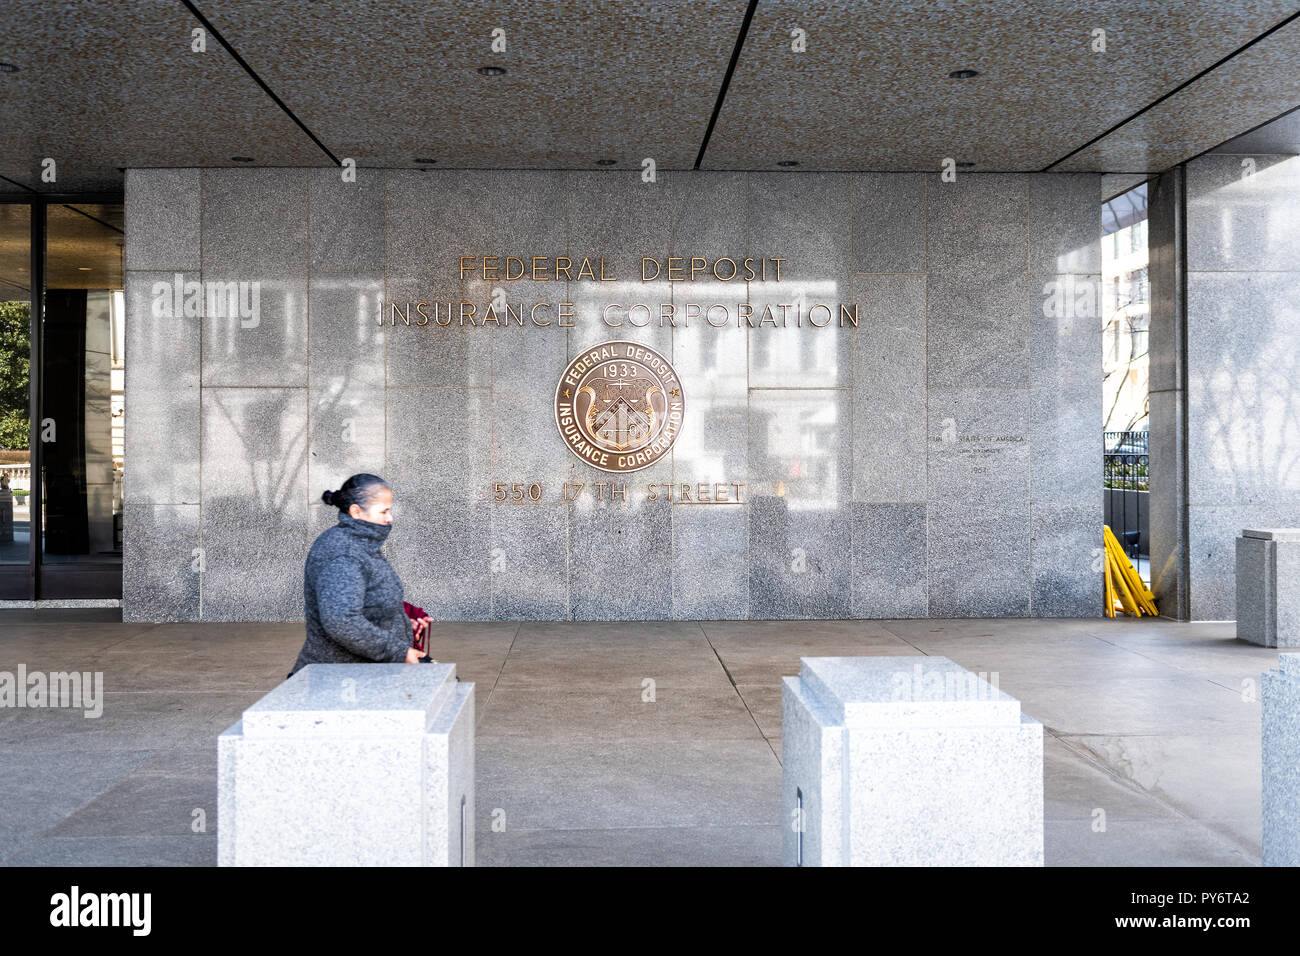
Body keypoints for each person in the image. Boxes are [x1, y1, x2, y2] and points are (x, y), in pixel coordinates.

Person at [289, 473, 434, 677]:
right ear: (356, 511)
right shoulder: (344, 554)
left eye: (389, 510)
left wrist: (399, 621)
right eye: (384, 511)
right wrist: (398, 651)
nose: (390, 518)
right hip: (342, 680)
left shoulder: (360, 543)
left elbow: (366, 598)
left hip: (363, 670)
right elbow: (341, 620)